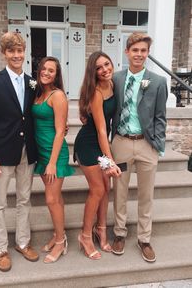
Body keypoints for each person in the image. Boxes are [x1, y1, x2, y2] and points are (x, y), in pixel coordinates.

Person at [0, 32, 39, 272]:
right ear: (4, 53)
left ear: (24, 52)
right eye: (11, 51)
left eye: (20, 51)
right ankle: (1, 248)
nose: (17, 55)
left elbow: (34, 114)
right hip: (2, 152)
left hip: (27, 152)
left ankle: (22, 242)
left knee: (24, 200)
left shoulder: (32, 82)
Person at [111, 32, 168, 263]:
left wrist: (159, 145)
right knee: (120, 192)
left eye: (143, 51)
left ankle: (144, 238)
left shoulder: (158, 81)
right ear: (127, 52)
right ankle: (119, 233)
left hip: (146, 145)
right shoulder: (115, 79)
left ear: (147, 53)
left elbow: (161, 116)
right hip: (121, 143)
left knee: (146, 195)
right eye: (135, 50)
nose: (139, 55)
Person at [74, 51, 121, 260]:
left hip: (101, 143)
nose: (104, 70)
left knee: (106, 188)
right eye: (99, 68)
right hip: (88, 145)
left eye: (107, 64)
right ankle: (85, 235)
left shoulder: (113, 84)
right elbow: (102, 130)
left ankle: (101, 230)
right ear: (93, 72)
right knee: (98, 189)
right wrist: (110, 160)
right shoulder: (96, 93)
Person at [31, 56, 74, 264]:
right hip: (40, 152)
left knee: (51, 199)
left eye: (52, 71)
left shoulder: (57, 96)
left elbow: (60, 131)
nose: (46, 73)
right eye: (44, 69)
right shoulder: (39, 93)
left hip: (53, 154)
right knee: (55, 199)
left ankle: (60, 241)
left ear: (57, 75)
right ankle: (58, 234)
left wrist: (52, 162)